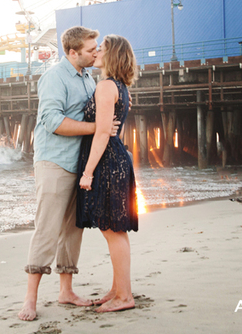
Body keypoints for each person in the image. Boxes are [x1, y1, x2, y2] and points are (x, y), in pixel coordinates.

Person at [18, 26, 121, 322]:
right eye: (90, 49)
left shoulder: (88, 77)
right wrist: (97, 128)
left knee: (73, 230)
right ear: (72, 52)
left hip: (80, 164)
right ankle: (30, 299)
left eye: (96, 47)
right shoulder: (54, 77)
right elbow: (52, 121)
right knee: (47, 229)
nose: (96, 52)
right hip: (54, 162)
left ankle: (66, 291)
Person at [77, 34, 140, 313]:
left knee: (113, 230)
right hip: (116, 160)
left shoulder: (105, 86)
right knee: (115, 229)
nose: (96, 52)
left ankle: (124, 296)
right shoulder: (120, 87)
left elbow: (102, 133)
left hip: (108, 163)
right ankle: (117, 289)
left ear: (112, 55)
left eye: (101, 49)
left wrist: (88, 172)